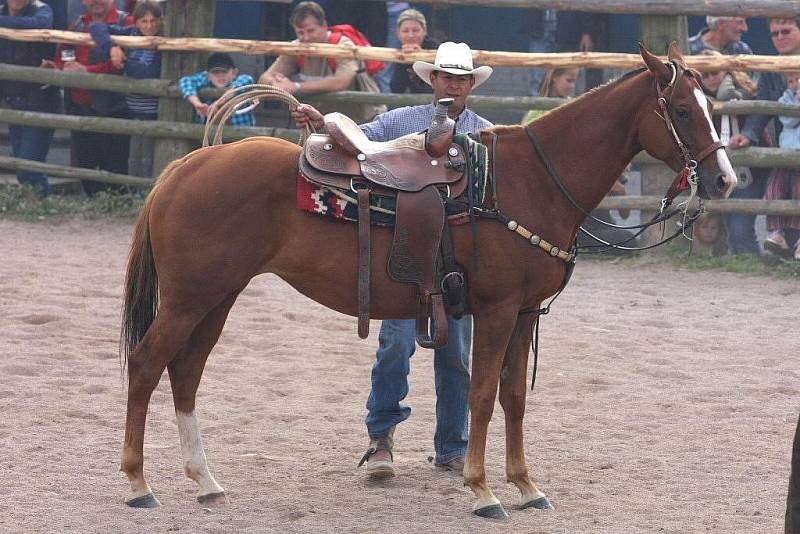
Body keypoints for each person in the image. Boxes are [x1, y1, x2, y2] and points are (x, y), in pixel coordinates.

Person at [292, 41, 493, 478]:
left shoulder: (485, 134)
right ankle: (381, 438)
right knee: (394, 349)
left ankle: (452, 446)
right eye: (447, 77)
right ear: (433, 80)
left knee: (456, 356)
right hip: (406, 257)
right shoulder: (400, 121)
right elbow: (357, 141)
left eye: (462, 79)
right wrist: (320, 125)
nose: (454, 85)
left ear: (470, 85)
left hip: (458, 263)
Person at [729, 17, 800, 257]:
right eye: (775, 34)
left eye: (786, 31)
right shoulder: (772, 67)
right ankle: (783, 244)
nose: (780, 37)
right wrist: (748, 135)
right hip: (788, 145)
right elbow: (764, 105)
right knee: (779, 190)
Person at [52, 0, 133, 195]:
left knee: (115, 164)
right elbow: (62, 56)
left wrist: (86, 71)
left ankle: (117, 204)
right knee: (86, 164)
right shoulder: (77, 24)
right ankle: (94, 203)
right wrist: (57, 68)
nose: (96, 1)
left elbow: (123, 64)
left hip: (114, 108)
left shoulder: (126, 22)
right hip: (79, 106)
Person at [258, 1, 383, 123]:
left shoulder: (343, 44)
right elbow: (264, 79)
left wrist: (295, 87)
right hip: (326, 121)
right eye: (300, 32)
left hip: (365, 120)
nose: (306, 38)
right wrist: (277, 84)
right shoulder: (296, 47)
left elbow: (341, 82)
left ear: (324, 26)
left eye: (311, 31)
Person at [696, 49, 764, 255]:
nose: (710, 79)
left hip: (751, 171)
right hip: (717, 173)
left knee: (740, 227)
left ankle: (750, 262)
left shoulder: (747, 92)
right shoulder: (697, 103)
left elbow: (762, 131)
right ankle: (730, 262)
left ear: (727, 71)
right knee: (721, 223)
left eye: (715, 72)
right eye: (704, 75)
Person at [89, 0, 162, 177]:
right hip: (134, 112)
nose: (149, 26)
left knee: (151, 162)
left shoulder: (162, 43)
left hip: (154, 114)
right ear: (136, 22)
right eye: (144, 21)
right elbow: (96, 27)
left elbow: (147, 72)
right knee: (134, 160)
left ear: (160, 21)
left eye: (153, 21)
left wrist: (124, 63)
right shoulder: (130, 34)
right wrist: (112, 48)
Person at [0, 0, 60, 196]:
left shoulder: (42, 9)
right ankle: (38, 204)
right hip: (13, 100)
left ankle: (43, 202)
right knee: (23, 162)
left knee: (29, 166)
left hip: (41, 99)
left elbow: (41, 23)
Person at [763, 72, 800, 260]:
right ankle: (777, 232)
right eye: (791, 81)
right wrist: (796, 103)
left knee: (798, 193)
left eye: (798, 80)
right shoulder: (786, 97)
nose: (794, 84)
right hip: (786, 153)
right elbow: (787, 119)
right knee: (774, 189)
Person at [178, 53, 256, 127]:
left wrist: (219, 102)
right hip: (208, 137)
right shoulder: (205, 80)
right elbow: (185, 81)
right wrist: (197, 104)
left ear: (234, 72)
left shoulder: (242, 80)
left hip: (242, 137)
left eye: (224, 71)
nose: (220, 76)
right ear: (208, 75)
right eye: (215, 72)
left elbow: (247, 79)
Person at [389, 9, 440, 95]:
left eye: (415, 30)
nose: (410, 35)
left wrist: (421, 58)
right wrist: (404, 59)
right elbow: (396, 89)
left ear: (424, 31)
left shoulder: (437, 49)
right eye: (405, 31)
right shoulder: (398, 51)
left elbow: (433, 89)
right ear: (398, 34)